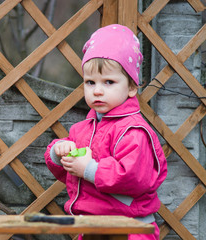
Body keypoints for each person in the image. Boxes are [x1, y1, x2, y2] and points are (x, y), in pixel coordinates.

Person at [44, 24, 167, 240]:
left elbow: (133, 177)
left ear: (131, 87)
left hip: (128, 230)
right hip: (93, 229)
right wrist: (58, 153)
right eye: (90, 82)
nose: (97, 90)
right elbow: (71, 176)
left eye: (109, 82)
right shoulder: (82, 129)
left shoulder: (133, 130)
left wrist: (90, 168)